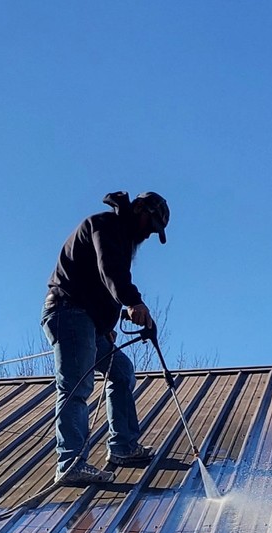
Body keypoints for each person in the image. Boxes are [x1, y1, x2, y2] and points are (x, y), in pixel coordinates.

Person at [42, 190, 171, 486]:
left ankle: (123, 446)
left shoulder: (121, 239)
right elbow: (110, 272)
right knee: (76, 386)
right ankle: (70, 463)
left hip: (85, 321)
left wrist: (111, 319)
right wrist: (134, 302)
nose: (150, 235)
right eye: (150, 226)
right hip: (68, 314)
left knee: (122, 371)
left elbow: (98, 284)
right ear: (139, 209)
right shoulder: (106, 226)